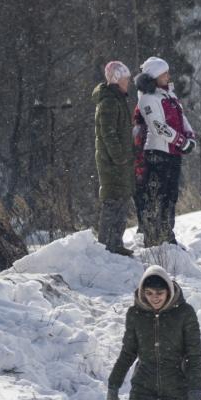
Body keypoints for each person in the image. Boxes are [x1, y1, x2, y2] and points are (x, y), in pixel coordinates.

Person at [107, 265, 201, 400]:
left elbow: (194, 356)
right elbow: (128, 352)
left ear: (168, 291)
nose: (154, 298)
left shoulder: (184, 313)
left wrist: (195, 390)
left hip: (177, 389)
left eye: (159, 293)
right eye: (149, 293)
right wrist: (113, 384)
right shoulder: (135, 314)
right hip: (144, 389)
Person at [135, 57, 195, 247]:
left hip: (173, 154)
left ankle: (167, 234)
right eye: (164, 73)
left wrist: (190, 136)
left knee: (171, 196)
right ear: (154, 75)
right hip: (157, 153)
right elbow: (158, 126)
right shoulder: (147, 98)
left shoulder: (170, 96)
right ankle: (153, 237)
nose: (168, 76)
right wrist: (181, 141)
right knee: (157, 196)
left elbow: (182, 119)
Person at [93, 60, 136, 256]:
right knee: (113, 201)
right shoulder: (109, 102)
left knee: (121, 200)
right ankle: (105, 247)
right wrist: (120, 157)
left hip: (120, 163)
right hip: (111, 163)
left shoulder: (118, 99)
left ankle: (115, 243)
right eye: (125, 79)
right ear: (117, 79)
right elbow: (108, 133)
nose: (128, 82)